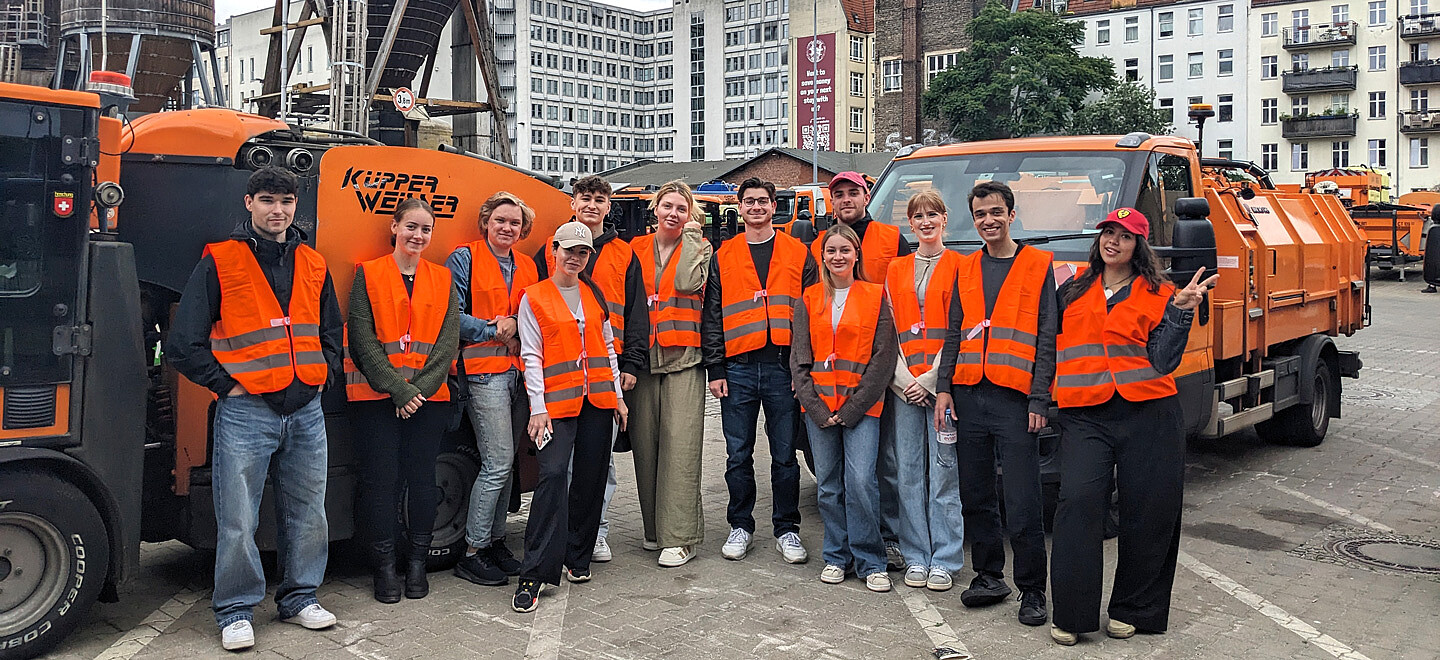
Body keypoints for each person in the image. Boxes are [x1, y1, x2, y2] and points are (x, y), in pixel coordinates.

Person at [167, 167, 342, 651]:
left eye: (286, 201)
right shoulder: (220, 262)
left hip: (304, 406)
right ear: (249, 204)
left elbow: (331, 330)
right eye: (267, 200)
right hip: (248, 411)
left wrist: (323, 373)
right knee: (239, 516)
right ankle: (236, 610)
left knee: (309, 510)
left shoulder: (312, 263)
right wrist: (227, 385)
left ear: (295, 206)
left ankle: (300, 597)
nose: (277, 210)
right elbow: (183, 343)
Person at [1048, 208, 1214, 646]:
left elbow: (1163, 361)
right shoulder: (1071, 289)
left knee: (1149, 511)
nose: (1113, 242)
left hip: (1149, 412)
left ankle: (1134, 608)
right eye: (1108, 233)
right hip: (1085, 413)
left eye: (1125, 236)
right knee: (1079, 503)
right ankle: (1072, 613)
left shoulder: (1162, 292)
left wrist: (1180, 313)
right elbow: (1049, 348)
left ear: (1139, 245)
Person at [933, 180, 1057, 627]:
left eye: (996, 212)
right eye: (981, 214)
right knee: (976, 494)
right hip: (969, 395)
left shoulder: (1038, 265)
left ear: (1011, 214)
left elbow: (1047, 337)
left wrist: (1039, 397)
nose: (988, 220)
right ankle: (989, 576)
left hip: (1015, 399)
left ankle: (1032, 589)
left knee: (1023, 499)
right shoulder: (965, 269)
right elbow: (953, 332)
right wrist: (944, 387)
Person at [344, 197, 461, 603]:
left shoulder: (443, 279)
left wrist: (418, 391)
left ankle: (417, 565)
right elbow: (362, 339)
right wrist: (398, 389)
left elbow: (447, 344)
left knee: (422, 481)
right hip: (377, 399)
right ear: (394, 228)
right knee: (381, 483)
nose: (418, 235)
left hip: (428, 399)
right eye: (411, 226)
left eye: (426, 229)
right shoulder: (369, 274)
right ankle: (385, 569)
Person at [513, 221, 629, 612]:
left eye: (582, 253)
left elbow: (608, 348)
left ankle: (577, 559)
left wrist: (617, 398)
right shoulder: (534, 297)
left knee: (591, 481)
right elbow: (530, 355)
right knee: (551, 477)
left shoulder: (593, 293)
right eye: (568, 251)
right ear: (554, 251)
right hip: (556, 409)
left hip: (597, 402)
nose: (574, 258)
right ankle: (534, 572)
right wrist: (538, 408)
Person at [702, 177, 816, 565]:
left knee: (785, 455)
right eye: (749, 202)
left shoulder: (798, 252)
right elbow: (713, 315)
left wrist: (805, 371)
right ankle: (741, 526)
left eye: (763, 201)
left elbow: (813, 312)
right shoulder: (724, 254)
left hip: (784, 369)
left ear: (773, 206)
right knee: (738, 455)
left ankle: (787, 529)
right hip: (738, 369)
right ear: (740, 206)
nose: (756, 207)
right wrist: (715, 367)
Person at [534, 175, 647, 561]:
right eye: (585, 197)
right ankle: (565, 531)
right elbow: (534, 304)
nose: (592, 205)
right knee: (562, 463)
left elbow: (635, 311)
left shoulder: (624, 253)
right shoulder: (551, 249)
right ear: (573, 202)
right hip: (561, 371)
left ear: (608, 205)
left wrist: (631, 362)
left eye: (600, 199)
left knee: (602, 462)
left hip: (605, 369)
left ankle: (596, 532)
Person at [807, 171, 911, 569]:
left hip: (886, 362)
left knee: (883, 463)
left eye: (854, 192)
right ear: (831, 201)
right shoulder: (819, 243)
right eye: (839, 194)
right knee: (847, 471)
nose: (847, 199)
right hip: (836, 375)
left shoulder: (890, 237)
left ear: (867, 195)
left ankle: (887, 537)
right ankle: (848, 544)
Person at [790, 224, 899, 593]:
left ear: (856, 255)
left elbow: (883, 360)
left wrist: (852, 408)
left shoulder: (874, 295)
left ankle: (871, 560)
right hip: (819, 409)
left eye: (845, 250)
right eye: (831, 251)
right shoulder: (807, 299)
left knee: (862, 484)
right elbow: (799, 360)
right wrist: (817, 410)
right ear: (822, 257)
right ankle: (836, 556)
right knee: (828, 488)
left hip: (861, 409)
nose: (838, 257)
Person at [446, 192, 539, 587]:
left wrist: (518, 326)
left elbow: (531, 313)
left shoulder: (527, 265)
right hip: (482, 371)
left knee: (508, 463)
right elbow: (449, 312)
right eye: (500, 220)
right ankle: (472, 551)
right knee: (498, 461)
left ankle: (496, 541)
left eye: (514, 223)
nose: (507, 228)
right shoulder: (464, 258)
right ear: (486, 222)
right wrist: (494, 329)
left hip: (516, 372)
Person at [883, 190, 966, 592]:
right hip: (904, 389)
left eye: (933, 213)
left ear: (945, 218)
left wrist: (932, 381)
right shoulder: (895, 269)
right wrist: (903, 381)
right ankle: (915, 554)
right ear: (910, 223)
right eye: (918, 215)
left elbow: (960, 330)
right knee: (909, 474)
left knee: (945, 473)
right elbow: (889, 328)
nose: (926, 221)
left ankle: (946, 558)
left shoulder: (961, 267)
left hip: (941, 389)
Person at [627, 180, 712, 567]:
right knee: (646, 447)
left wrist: (693, 238)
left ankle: (681, 536)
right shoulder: (635, 249)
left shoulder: (701, 248)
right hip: (644, 360)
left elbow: (685, 283)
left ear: (690, 214)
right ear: (655, 210)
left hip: (684, 359)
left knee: (679, 447)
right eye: (667, 206)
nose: (673, 214)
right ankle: (654, 530)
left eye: (682, 208)